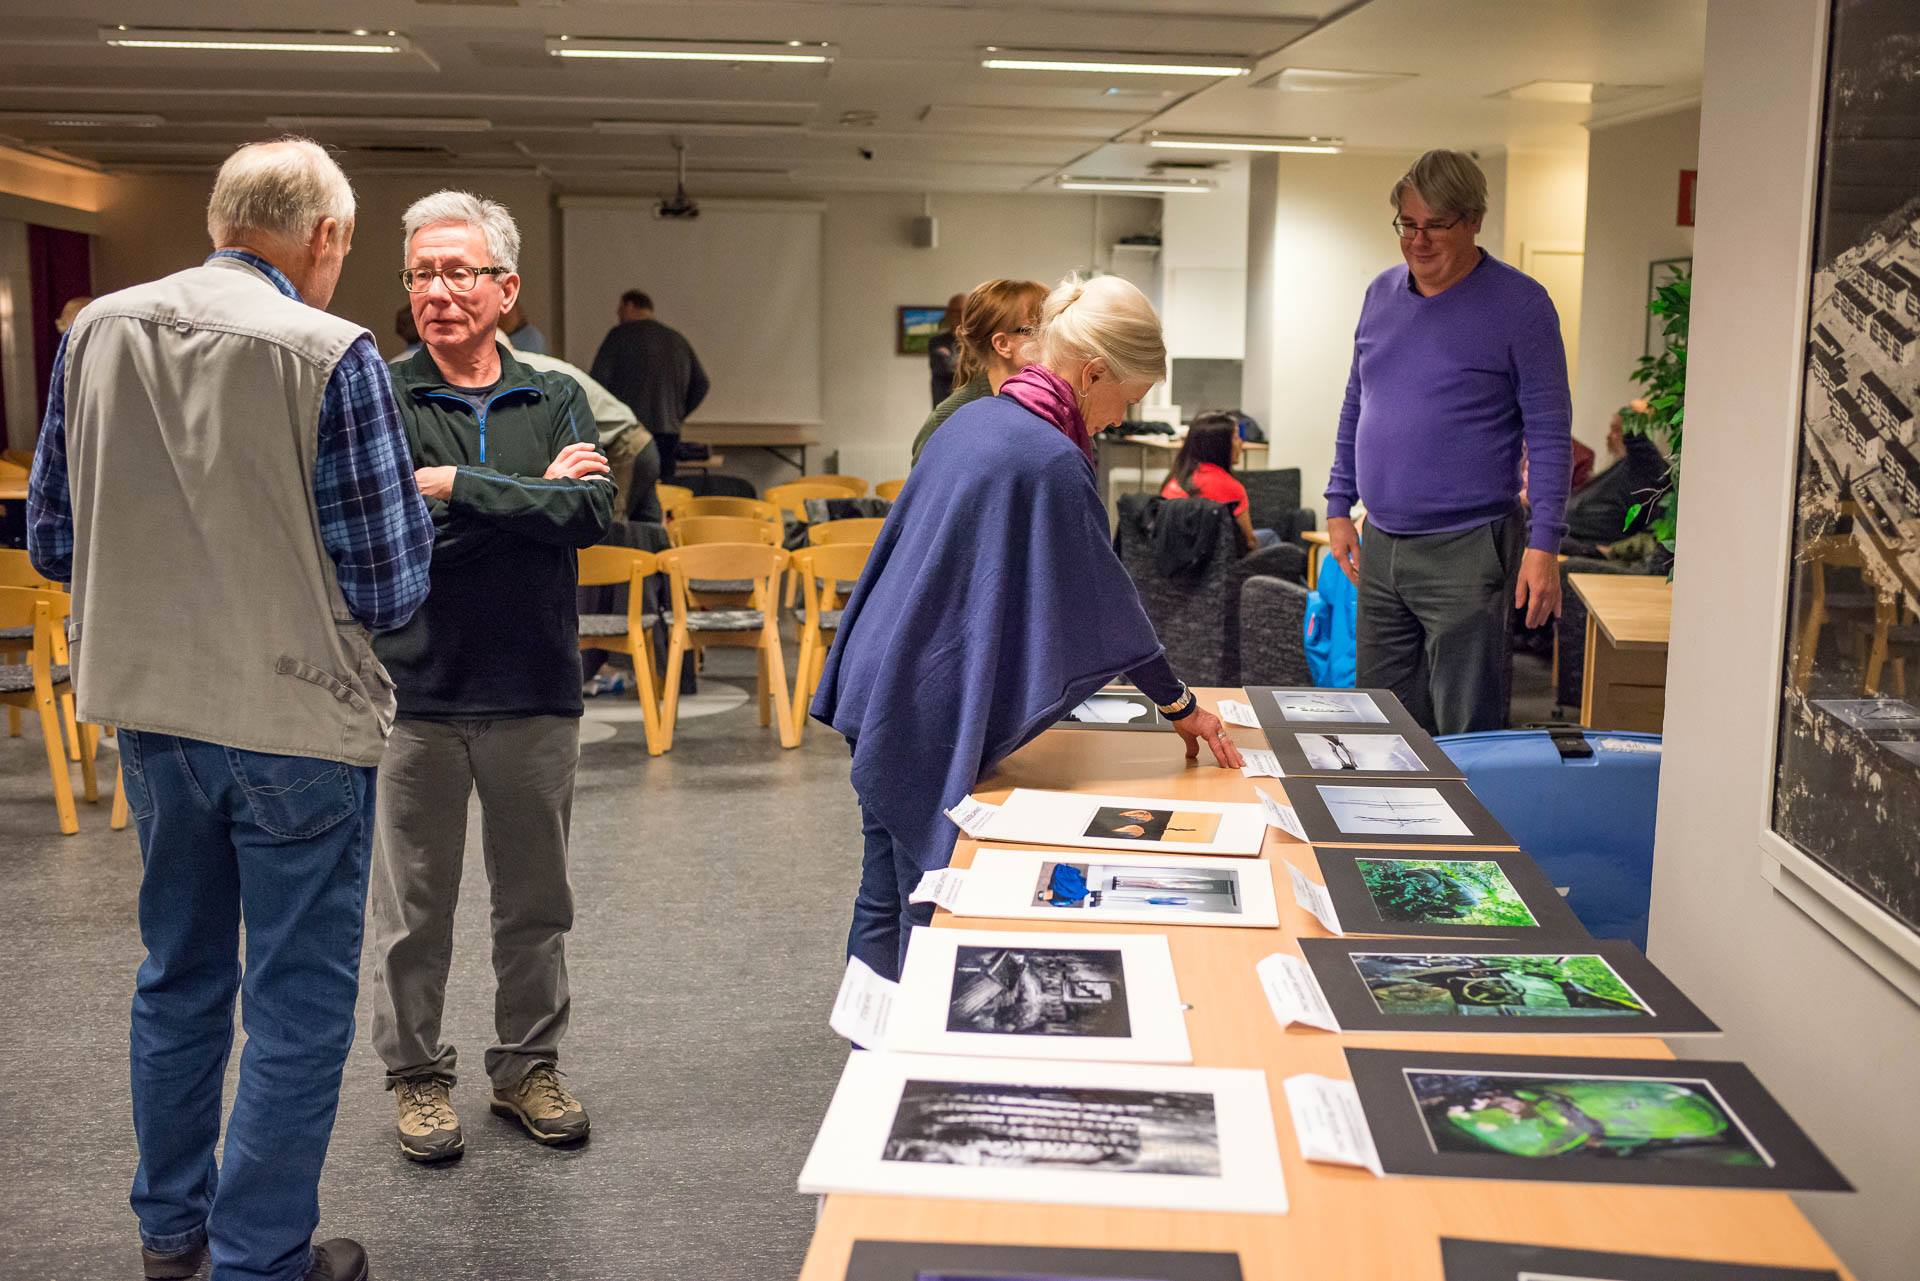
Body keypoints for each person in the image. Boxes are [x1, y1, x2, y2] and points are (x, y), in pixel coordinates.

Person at [28, 137, 431, 1281]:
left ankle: (171, 1236)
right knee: (296, 1001)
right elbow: (389, 584)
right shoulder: (333, 352)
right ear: (327, 238)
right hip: (295, 722)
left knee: (178, 974)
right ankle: (262, 1259)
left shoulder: (94, 330)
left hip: (152, 715)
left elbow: (53, 538)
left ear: (221, 220)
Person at [814, 274, 1243, 981]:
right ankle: (916, 1058)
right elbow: (1106, 599)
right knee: (929, 894)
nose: (1115, 419)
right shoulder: (1048, 459)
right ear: (1094, 371)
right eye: (1124, 400)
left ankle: (871, 1054)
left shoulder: (973, 421)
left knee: (883, 888)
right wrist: (1178, 702)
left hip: (879, 673)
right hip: (924, 702)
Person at [370, 190, 613, 1164]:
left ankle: (525, 1068)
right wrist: (526, 504)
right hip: (415, 695)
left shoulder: (555, 393)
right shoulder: (381, 396)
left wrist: (456, 488)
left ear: (504, 289)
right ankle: (417, 1077)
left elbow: (591, 516)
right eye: (422, 273)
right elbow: (389, 533)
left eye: (458, 272)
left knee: (535, 905)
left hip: (535, 690)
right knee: (413, 914)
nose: (438, 291)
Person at [1324, 149, 1572, 735]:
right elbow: (1357, 402)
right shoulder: (1380, 295)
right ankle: (1385, 827)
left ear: (1475, 220)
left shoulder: (1521, 305)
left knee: (1468, 730)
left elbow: (1549, 432)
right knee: (1380, 724)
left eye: (1437, 225)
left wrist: (1545, 545)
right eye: (1408, 224)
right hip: (1381, 543)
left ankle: (1470, 830)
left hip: (1469, 546)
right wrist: (1338, 505)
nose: (1419, 240)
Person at [910, 277, 1047, 466]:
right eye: (1038, 329)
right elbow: (926, 494)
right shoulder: (948, 419)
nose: (1052, 338)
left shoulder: (1055, 408)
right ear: (1003, 344)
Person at [590, 288, 709, 482]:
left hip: (629, 431)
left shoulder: (619, 335)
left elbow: (598, 381)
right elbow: (701, 384)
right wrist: (677, 414)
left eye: (619, 309)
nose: (618, 315)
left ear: (630, 306)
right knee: (665, 491)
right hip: (668, 432)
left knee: (629, 494)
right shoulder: (676, 339)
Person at [1159, 412, 1279, 551]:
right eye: (1235, 437)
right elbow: (1249, 542)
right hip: (1219, 561)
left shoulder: (1173, 480)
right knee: (1269, 536)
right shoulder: (1231, 487)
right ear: (1220, 445)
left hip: (1175, 560)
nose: (1241, 442)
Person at [925, 291, 965, 409]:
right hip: (944, 405)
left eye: (964, 311)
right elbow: (943, 369)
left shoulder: (979, 342)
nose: (960, 315)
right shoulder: (937, 342)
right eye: (956, 311)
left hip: (970, 407)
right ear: (948, 313)